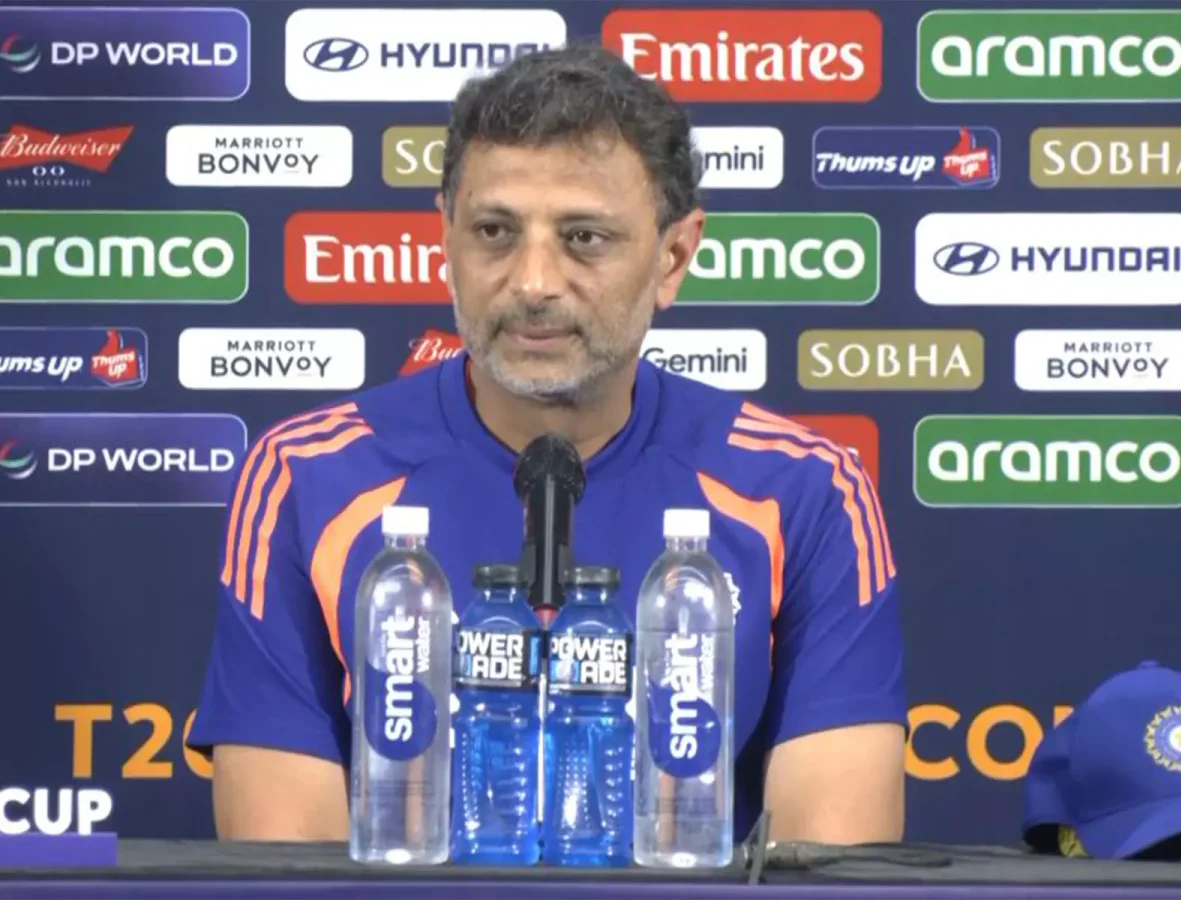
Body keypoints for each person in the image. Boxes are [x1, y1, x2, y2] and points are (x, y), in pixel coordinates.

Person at [186, 44, 906, 846]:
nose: (533, 282)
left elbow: (833, 861)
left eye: (584, 238)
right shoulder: (308, 476)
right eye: (494, 231)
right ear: (446, 239)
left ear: (673, 256)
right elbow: (285, 866)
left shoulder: (803, 488)